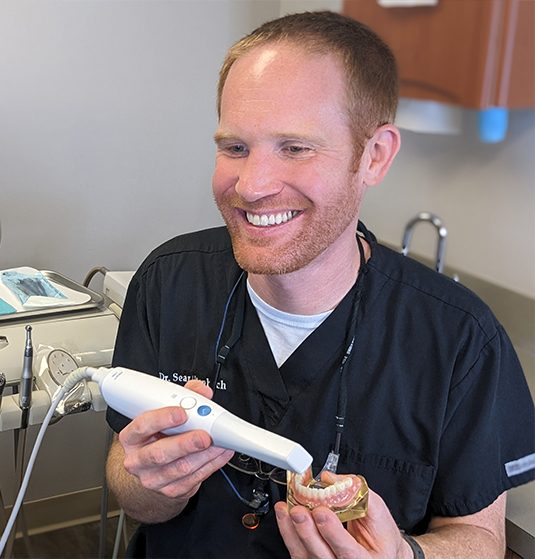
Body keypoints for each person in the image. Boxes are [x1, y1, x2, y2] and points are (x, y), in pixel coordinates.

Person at [105, 11, 535, 559]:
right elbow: (131, 492)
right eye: (235, 147)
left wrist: (408, 557)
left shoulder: (460, 340)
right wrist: (148, 483)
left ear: (374, 156)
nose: (252, 186)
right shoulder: (169, 282)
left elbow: (480, 538)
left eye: (296, 148)